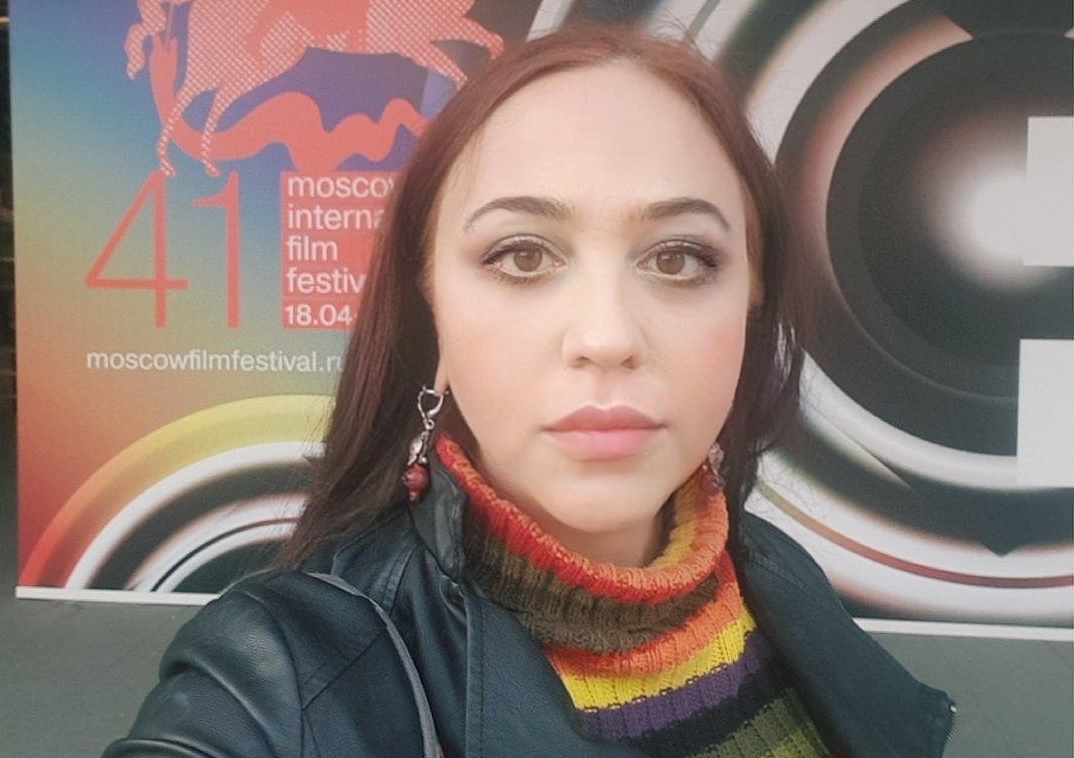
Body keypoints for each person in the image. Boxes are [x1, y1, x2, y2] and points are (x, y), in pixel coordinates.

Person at [104, 25, 954, 758]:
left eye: (679, 258)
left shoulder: (776, 578)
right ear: (431, 314)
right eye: (521, 255)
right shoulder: (281, 677)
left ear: (750, 295)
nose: (607, 337)